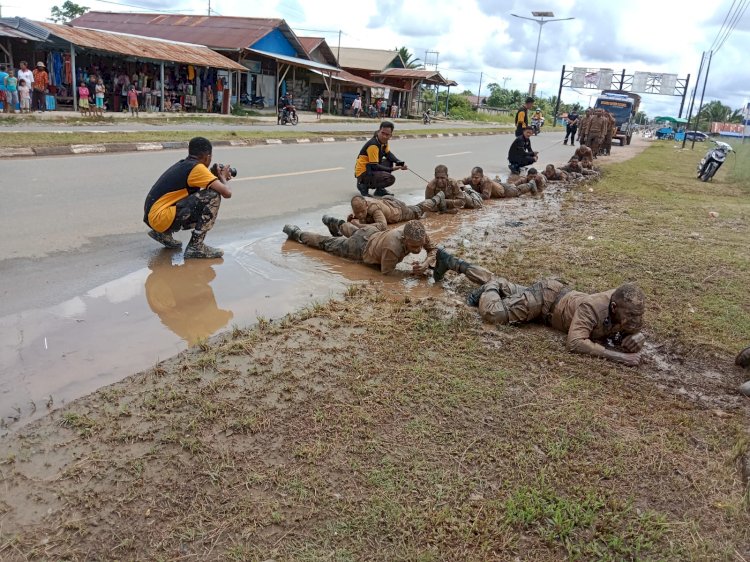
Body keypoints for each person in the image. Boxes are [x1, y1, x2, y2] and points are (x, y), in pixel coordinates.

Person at [432, 249, 647, 366]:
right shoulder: (592, 308)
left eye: (639, 315)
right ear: (613, 306)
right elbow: (575, 343)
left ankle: (454, 262)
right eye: (631, 316)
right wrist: (621, 357)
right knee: (493, 314)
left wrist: (638, 337)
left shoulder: (626, 308)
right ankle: (490, 286)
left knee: (508, 287)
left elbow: (630, 330)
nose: (635, 321)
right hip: (545, 301)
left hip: (553, 296)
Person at [143, 136, 233, 259]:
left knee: (201, 197)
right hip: (160, 217)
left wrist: (212, 176)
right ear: (208, 157)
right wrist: (222, 177)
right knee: (213, 196)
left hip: (153, 216)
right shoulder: (197, 169)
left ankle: (162, 233)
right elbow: (227, 193)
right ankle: (196, 247)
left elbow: (192, 196)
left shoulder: (185, 164)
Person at [283, 219, 436, 275]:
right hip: (359, 247)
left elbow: (434, 250)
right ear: (404, 238)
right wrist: (411, 273)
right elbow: (387, 273)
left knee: (354, 231)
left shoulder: (419, 233)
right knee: (327, 243)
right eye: (414, 247)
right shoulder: (392, 247)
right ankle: (297, 233)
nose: (418, 249)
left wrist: (426, 263)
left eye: (420, 245)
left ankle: (336, 222)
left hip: (371, 232)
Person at [321, 192, 448, 236]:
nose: (359, 215)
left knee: (420, 209)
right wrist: (352, 220)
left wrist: (359, 225)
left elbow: (383, 226)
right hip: (387, 202)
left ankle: (438, 197)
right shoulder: (360, 208)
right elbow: (364, 219)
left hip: (400, 211)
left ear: (366, 205)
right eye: (356, 212)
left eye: (362, 211)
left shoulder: (373, 208)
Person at [354, 121, 407, 197]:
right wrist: (392, 169)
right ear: (379, 131)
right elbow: (374, 166)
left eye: (387, 134)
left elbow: (388, 154)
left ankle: (380, 190)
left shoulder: (384, 142)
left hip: (370, 168)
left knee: (389, 161)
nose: (384, 136)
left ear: (391, 135)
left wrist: (400, 162)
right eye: (383, 133)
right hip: (363, 172)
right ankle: (363, 185)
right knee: (390, 178)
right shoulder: (373, 145)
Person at [460, 166, 537, 199]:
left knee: (517, 191)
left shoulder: (486, 181)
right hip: (496, 186)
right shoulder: (470, 178)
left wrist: (469, 192)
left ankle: (530, 184)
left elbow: (485, 197)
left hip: (504, 191)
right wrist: (462, 187)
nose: (474, 179)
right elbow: (459, 182)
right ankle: (497, 179)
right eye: (472, 177)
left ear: (482, 176)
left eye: (476, 178)